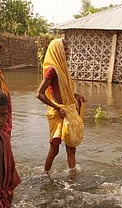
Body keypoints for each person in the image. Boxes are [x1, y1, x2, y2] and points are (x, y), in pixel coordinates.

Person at [36, 38, 86, 175]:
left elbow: (62, 90)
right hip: (58, 112)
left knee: (71, 146)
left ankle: (73, 176)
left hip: (67, 110)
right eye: (64, 49)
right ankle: (45, 174)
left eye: (68, 49)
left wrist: (75, 95)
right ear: (57, 51)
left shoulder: (62, 69)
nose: (68, 52)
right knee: (55, 147)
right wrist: (58, 108)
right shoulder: (52, 70)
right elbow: (40, 94)